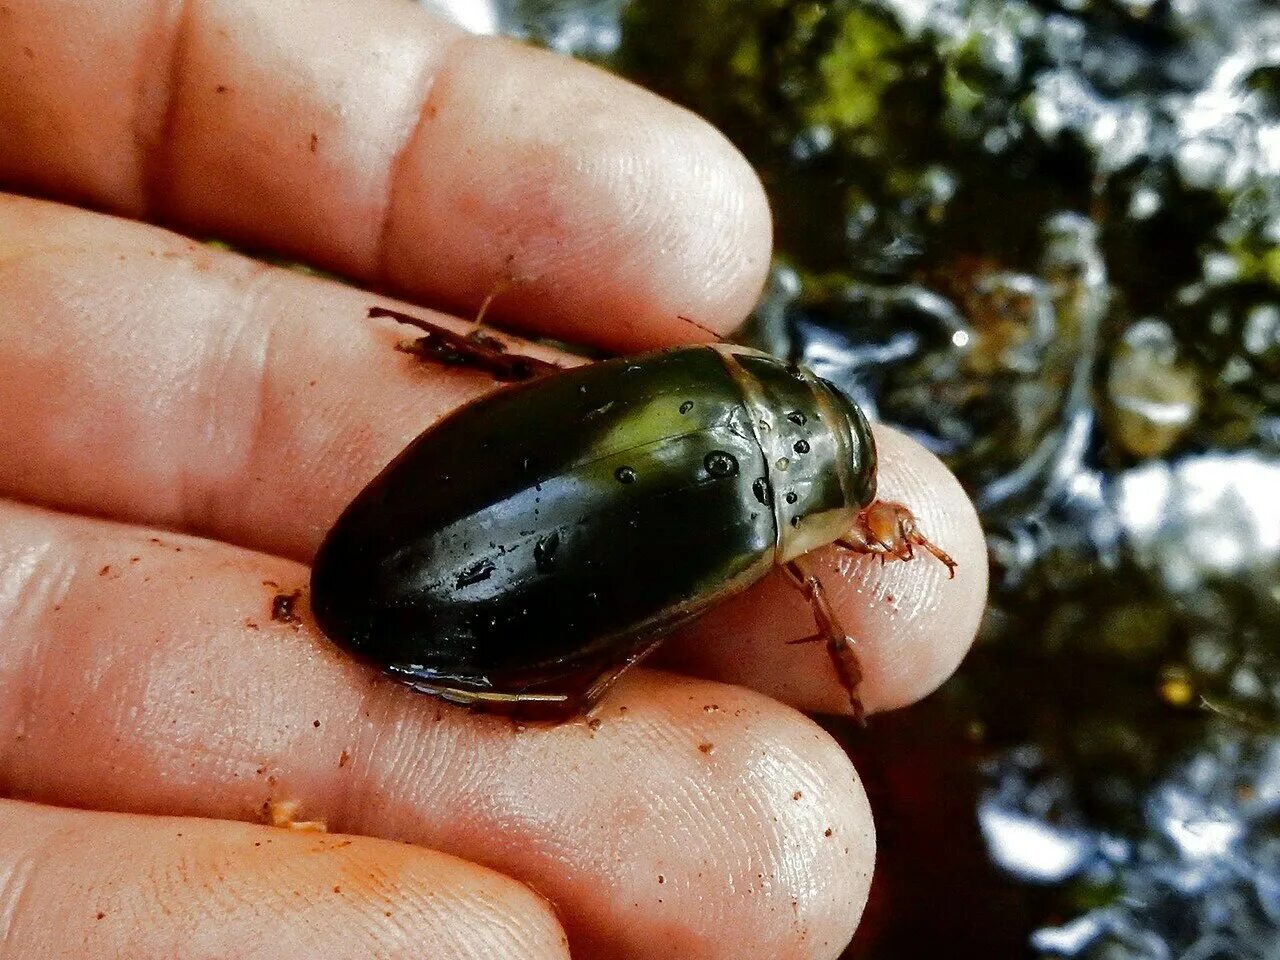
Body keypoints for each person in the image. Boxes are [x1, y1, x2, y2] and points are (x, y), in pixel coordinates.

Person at [0, 1, 987, 956]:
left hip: (445, 534)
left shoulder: (700, 387)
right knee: (607, 655)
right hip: (442, 576)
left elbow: (560, 388)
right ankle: (547, 690)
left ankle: (543, 681)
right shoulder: (756, 529)